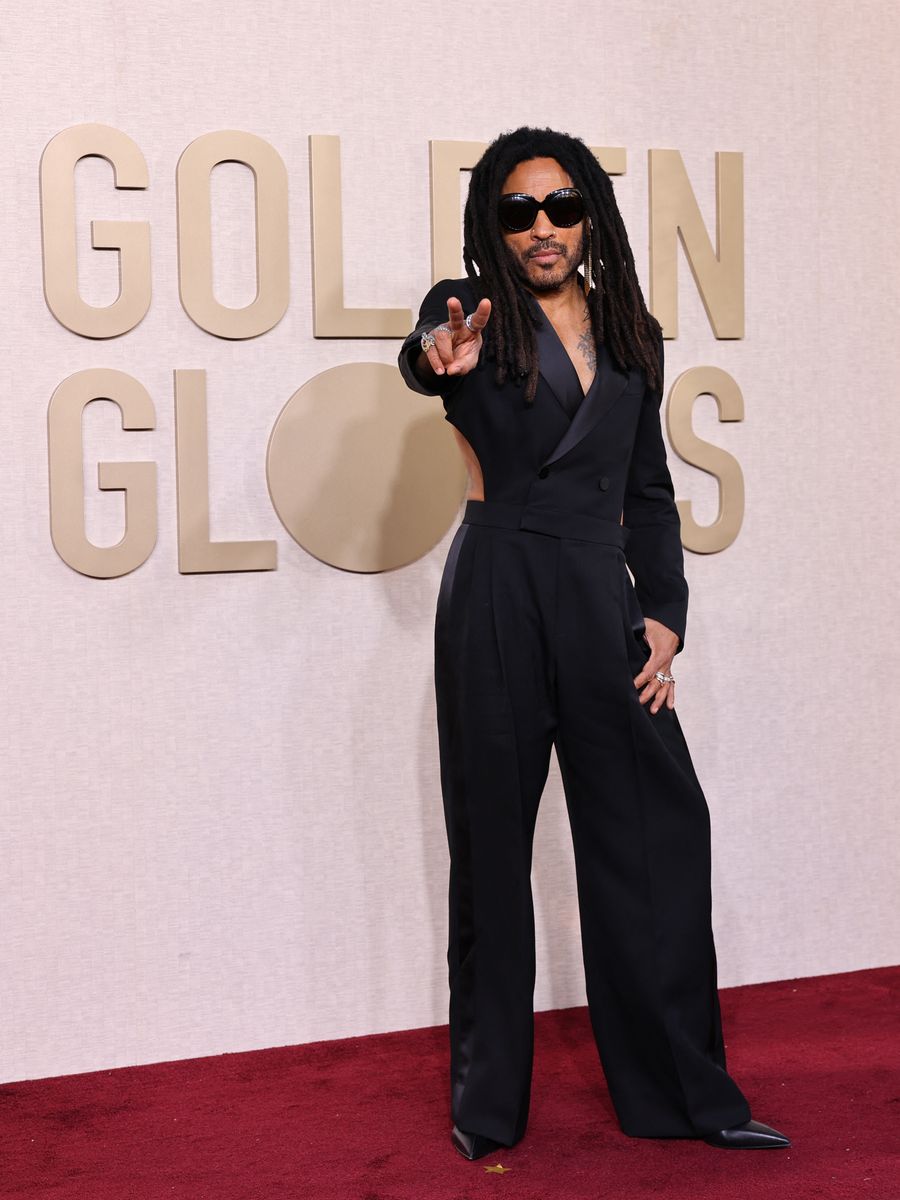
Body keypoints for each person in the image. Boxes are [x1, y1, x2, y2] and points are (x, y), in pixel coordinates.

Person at [397, 126, 789, 1160]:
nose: (541, 227)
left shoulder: (631, 331)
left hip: (600, 602)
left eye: (561, 206)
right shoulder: (467, 312)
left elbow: (650, 490)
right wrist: (441, 362)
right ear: (494, 223)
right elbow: (426, 360)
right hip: (498, 596)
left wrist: (664, 613)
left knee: (658, 837)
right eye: (519, 210)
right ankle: (488, 1110)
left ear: (590, 217)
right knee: (492, 848)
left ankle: (682, 1096)